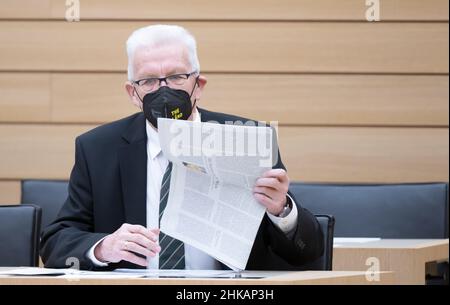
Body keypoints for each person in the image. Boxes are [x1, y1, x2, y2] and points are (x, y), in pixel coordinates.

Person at [40, 24, 324, 271]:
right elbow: (56, 242)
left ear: (198, 85)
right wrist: (103, 247)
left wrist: (282, 211)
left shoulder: (247, 138)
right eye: (149, 80)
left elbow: (307, 251)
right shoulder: (97, 149)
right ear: (133, 93)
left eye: (176, 77)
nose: (163, 90)